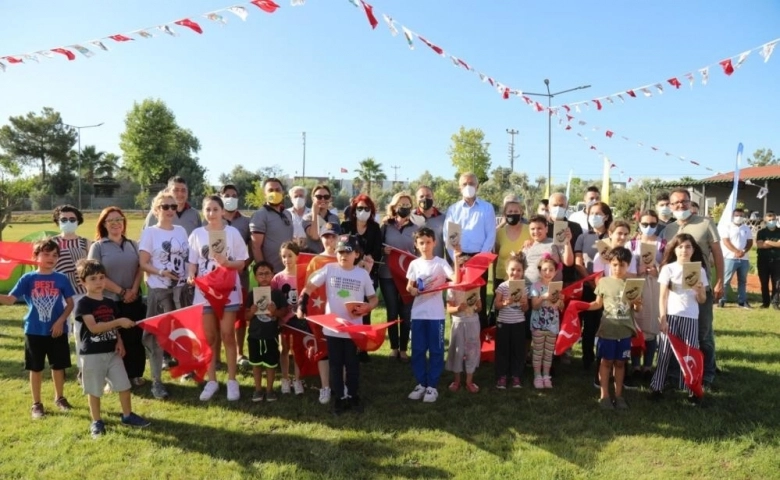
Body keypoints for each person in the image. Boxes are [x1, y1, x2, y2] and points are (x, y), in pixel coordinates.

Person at [298, 235, 378, 415]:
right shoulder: (329, 269)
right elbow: (309, 286)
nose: (343, 255)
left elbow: (373, 299)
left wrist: (367, 307)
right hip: (333, 329)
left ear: (356, 254)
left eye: (348, 252)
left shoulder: (362, 274)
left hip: (353, 329)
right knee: (335, 365)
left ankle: (354, 396)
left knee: (352, 365)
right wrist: (302, 304)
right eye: (340, 251)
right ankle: (339, 398)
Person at [73, 259, 150, 437]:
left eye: (101, 277)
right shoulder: (83, 303)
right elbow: (94, 327)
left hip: (112, 353)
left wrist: (119, 341)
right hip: (92, 354)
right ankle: (96, 421)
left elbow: (114, 329)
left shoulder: (110, 303)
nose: (99, 282)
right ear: (83, 282)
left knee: (124, 385)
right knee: (94, 390)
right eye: (93, 279)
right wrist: (119, 321)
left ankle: (128, 415)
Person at [0, 238, 75, 419]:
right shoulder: (28, 278)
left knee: (58, 367)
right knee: (36, 368)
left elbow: (70, 304)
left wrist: (60, 321)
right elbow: (10, 300)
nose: (51, 258)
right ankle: (37, 403)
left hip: (57, 330)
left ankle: (60, 397)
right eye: (46, 254)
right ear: (36, 256)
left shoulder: (61, 279)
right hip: (34, 330)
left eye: (55, 255)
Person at [188, 195, 250, 402]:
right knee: (209, 338)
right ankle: (212, 381)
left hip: (228, 292)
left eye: (215, 209)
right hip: (204, 293)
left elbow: (242, 262)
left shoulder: (232, 233)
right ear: (203, 212)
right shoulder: (196, 234)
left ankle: (232, 381)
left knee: (227, 336)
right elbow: (192, 262)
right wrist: (191, 275)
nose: (211, 213)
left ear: (223, 211)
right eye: (208, 209)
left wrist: (227, 263)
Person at [663, 188, 724, 390]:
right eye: (676, 203)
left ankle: (707, 374)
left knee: (703, 334)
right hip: (676, 293)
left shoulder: (705, 223)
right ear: (670, 206)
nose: (680, 205)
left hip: (700, 287)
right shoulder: (669, 229)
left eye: (684, 201)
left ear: (690, 202)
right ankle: (676, 373)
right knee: (677, 334)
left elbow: (717, 253)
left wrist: (720, 281)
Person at [138, 190, 190, 399]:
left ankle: (187, 368)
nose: (170, 210)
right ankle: (157, 383)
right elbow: (143, 263)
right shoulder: (150, 232)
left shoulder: (181, 230)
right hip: (159, 289)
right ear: (156, 209)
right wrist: (161, 272)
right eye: (165, 207)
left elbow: (187, 258)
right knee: (157, 337)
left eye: (173, 206)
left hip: (180, 289)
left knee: (183, 332)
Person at [88, 207, 146, 388]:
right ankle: (112, 379)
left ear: (124, 223)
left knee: (135, 339)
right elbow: (94, 274)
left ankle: (135, 374)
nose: (115, 223)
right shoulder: (97, 246)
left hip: (133, 299)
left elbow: (140, 268)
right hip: (109, 302)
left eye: (118, 219)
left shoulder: (132, 244)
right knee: (113, 340)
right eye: (110, 220)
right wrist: (121, 291)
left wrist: (133, 290)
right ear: (103, 224)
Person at [649, 234, 708, 405]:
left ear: (693, 249)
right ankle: (657, 386)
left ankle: (692, 389)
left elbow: (702, 300)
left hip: (690, 316)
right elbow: (662, 296)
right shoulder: (668, 269)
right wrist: (662, 318)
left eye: (688, 247)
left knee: (690, 352)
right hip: (671, 316)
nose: (684, 250)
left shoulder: (700, 270)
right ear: (674, 249)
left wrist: (699, 291)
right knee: (665, 352)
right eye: (680, 247)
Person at [585, 247, 642, 410]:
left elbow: (637, 309)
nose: (618, 268)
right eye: (614, 264)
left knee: (620, 363)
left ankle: (618, 395)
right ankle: (604, 395)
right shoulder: (603, 282)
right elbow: (597, 304)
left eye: (622, 265)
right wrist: (579, 307)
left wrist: (638, 304)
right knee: (606, 362)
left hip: (624, 332)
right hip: (608, 330)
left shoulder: (632, 284)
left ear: (628, 265)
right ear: (609, 264)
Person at [405, 227, 457, 404]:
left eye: (428, 242)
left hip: (436, 315)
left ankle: (432, 386)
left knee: (436, 350)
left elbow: (455, 279)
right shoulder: (414, 264)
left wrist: (456, 256)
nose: (425, 246)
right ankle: (421, 383)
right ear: (416, 245)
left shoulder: (441, 263)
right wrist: (413, 290)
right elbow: (409, 286)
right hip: (418, 313)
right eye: (421, 243)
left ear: (434, 242)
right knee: (418, 350)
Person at [443, 172, 497, 325]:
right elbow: (448, 236)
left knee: (477, 297)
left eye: (472, 183)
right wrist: (457, 260)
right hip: (458, 257)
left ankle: (480, 335)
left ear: (477, 186)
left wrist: (481, 261)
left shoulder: (487, 208)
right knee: (457, 297)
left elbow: (491, 235)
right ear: (459, 188)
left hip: (479, 258)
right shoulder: (453, 209)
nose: (468, 187)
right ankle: (457, 331)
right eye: (465, 184)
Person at [574, 201, 613, 371]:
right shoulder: (583, 237)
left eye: (598, 214)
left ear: (606, 216)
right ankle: (587, 359)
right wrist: (591, 281)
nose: (594, 217)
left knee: (607, 324)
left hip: (609, 288)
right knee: (589, 326)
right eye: (591, 214)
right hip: (589, 287)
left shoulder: (612, 237)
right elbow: (578, 262)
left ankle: (606, 358)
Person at [380, 192, 419, 362]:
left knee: (406, 312)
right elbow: (377, 248)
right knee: (392, 311)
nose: (404, 208)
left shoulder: (415, 228)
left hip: (407, 277)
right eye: (401, 205)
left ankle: (403, 349)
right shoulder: (385, 226)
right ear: (394, 207)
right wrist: (383, 251)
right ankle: (393, 348)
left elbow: (419, 251)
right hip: (387, 275)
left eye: (407, 205)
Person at [52, 204, 89, 378]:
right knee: (60, 331)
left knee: (81, 331)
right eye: (64, 219)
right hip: (58, 294)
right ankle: (60, 367)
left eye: (72, 219)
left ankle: (83, 369)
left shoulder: (85, 242)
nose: (68, 222)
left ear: (78, 221)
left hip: (81, 292)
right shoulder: (51, 243)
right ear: (58, 221)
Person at [628, 210, 665, 382]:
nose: (648, 227)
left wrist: (657, 270)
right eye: (645, 224)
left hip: (655, 286)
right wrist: (637, 271)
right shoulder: (632, 244)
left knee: (652, 326)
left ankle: (648, 365)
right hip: (637, 284)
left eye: (652, 224)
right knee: (637, 325)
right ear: (639, 224)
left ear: (657, 224)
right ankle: (635, 365)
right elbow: (626, 265)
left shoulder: (663, 244)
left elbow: (668, 266)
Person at [220, 184, 253, 368]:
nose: (230, 197)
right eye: (227, 195)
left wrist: (243, 266)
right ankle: (216, 356)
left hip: (240, 277)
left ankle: (240, 353)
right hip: (217, 279)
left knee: (240, 317)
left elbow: (252, 249)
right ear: (220, 196)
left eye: (234, 195)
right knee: (218, 317)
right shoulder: (213, 219)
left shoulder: (246, 222)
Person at [341, 194, 383, 334]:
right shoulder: (346, 226)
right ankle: (348, 338)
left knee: (365, 307)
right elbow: (341, 246)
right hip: (348, 272)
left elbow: (378, 249)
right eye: (360, 208)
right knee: (347, 305)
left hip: (369, 273)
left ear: (371, 210)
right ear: (354, 210)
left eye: (367, 208)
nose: (363, 211)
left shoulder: (375, 227)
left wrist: (370, 256)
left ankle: (363, 344)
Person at [246, 262, 282, 403]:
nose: (264, 277)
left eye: (267, 273)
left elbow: (283, 312)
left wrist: (275, 312)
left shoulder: (277, 294)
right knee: (256, 363)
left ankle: (270, 390)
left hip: (271, 335)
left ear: (272, 275)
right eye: (260, 274)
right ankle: (258, 389)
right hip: (254, 335)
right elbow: (245, 316)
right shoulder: (251, 295)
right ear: (255, 276)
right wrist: (252, 312)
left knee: (271, 364)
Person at [445, 257, 482, 394]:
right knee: (457, 351)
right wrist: (458, 308)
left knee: (472, 351)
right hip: (458, 323)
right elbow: (448, 309)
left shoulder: (475, 285)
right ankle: (457, 380)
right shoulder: (452, 287)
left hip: (472, 322)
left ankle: (469, 381)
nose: (463, 270)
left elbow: (478, 307)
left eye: (466, 268)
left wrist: (478, 307)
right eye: (460, 267)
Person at [271, 242, 304, 395]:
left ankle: (297, 379)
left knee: (298, 350)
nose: (287, 259)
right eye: (284, 256)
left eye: (290, 256)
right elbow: (273, 300)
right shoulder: (278, 278)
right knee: (284, 349)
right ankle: (285, 378)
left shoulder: (303, 275)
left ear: (297, 256)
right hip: (284, 320)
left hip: (299, 320)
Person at [492, 252, 529, 389]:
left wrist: (525, 303)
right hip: (504, 323)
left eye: (519, 270)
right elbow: (497, 305)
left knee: (518, 350)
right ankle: (502, 376)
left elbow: (525, 309)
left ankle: (516, 376)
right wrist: (507, 302)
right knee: (503, 350)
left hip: (519, 323)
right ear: (507, 270)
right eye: (512, 269)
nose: (515, 272)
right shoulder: (502, 286)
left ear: (523, 272)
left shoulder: (523, 287)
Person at [529, 255, 564, 389]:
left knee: (549, 353)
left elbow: (560, 307)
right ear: (539, 271)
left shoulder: (557, 287)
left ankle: (546, 375)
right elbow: (534, 306)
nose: (547, 272)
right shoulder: (535, 286)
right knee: (538, 351)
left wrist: (560, 300)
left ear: (555, 272)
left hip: (552, 325)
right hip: (538, 325)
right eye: (544, 270)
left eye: (551, 270)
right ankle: (537, 376)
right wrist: (544, 296)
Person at [250, 178, 294, 274]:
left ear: (283, 192)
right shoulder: (260, 215)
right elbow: (255, 247)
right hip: (271, 273)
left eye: (278, 190)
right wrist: (264, 271)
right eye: (270, 190)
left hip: (288, 271)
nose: (274, 193)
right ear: (265, 194)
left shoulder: (287, 214)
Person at [545, 193, 584, 287]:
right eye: (555, 205)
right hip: (547, 279)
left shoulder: (576, 227)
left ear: (567, 206)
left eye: (561, 205)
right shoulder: (542, 227)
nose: (558, 208)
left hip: (569, 278)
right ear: (548, 207)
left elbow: (579, 252)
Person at [718, 207, 753, 308]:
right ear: (733, 216)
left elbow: (750, 242)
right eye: (736, 215)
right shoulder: (727, 227)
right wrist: (736, 251)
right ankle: (722, 299)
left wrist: (743, 251)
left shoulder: (746, 228)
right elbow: (726, 241)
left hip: (744, 259)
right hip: (730, 258)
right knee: (726, 280)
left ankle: (742, 300)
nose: (739, 217)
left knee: (742, 281)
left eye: (741, 216)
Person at [494, 198, 531, 293]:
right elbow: (496, 253)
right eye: (510, 211)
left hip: (524, 277)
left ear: (521, 213)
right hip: (502, 276)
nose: (513, 213)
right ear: (505, 214)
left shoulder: (530, 230)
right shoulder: (499, 233)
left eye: (516, 211)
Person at [522, 215, 572, 285]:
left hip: (551, 290)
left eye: (539, 228)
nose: (536, 231)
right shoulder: (527, 246)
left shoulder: (555, 243)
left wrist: (567, 242)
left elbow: (568, 262)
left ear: (546, 229)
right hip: (529, 289)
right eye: (532, 229)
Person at [302, 184, 340, 254]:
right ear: (313, 199)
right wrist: (315, 214)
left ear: (330, 199)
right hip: (313, 257)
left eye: (326, 197)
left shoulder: (334, 218)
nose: (323, 199)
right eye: (319, 197)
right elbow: (315, 236)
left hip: (331, 257)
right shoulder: (307, 218)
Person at [412, 186, 446, 259]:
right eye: (421, 196)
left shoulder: (443, 218)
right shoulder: (410, 217)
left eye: (428, 196)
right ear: (416, 200)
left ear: (433, 198)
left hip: (437, 265)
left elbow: (449, 244)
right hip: (416, 264)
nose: (425, 199)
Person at [756, 211, 780, 308]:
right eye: (769, 220)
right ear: (765, 220)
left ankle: (775, 302)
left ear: (776, 219)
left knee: (777, 283)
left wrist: (768, 242)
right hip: (763, 261)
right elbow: (760, 245)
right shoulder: (761, 232)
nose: (771, 221)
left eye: (773, 219)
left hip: (777, 260)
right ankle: (765, 302)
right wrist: (775, 244)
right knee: (764, 282)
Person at [287, 185, 311, 250]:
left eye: (301, 196)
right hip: (291, 250)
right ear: (291, 199)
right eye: (295, 196)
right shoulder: (285, 213)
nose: (298, 198)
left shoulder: (313, 213)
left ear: (305, 198)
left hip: (309, 249)